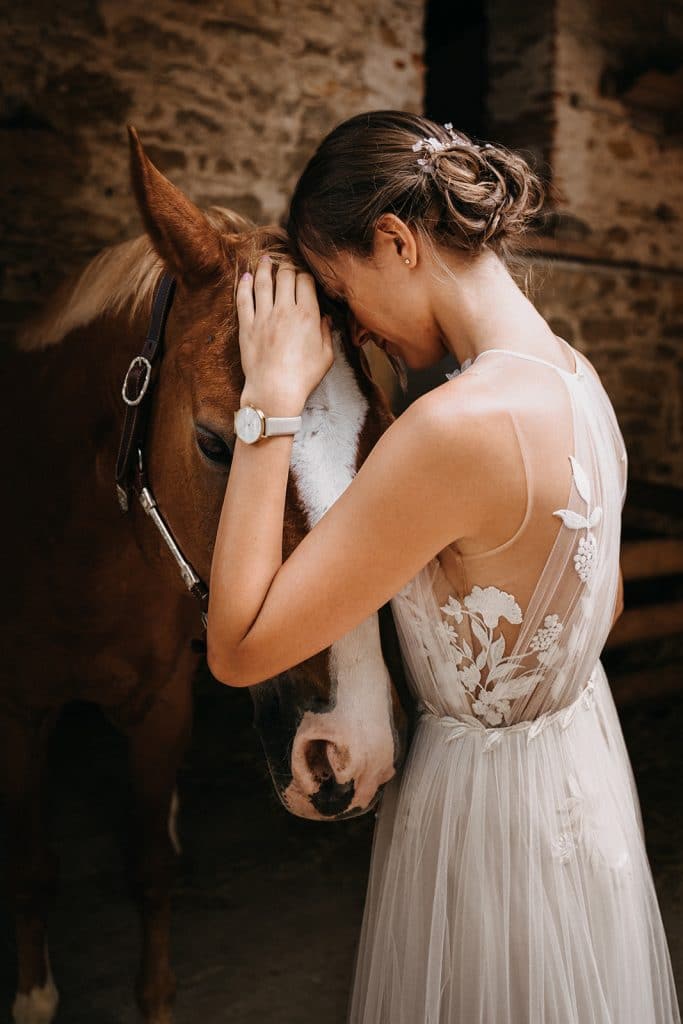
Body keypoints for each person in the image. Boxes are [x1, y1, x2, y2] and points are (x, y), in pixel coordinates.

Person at [206, 110, 680, 1023]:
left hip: (485, 822)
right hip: (577, 780)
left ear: (393, 240)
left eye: (342, 295)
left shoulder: (453, 429)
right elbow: (601, 600)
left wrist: (270, 402)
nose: (353, 328)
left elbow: (238, 647)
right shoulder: (577, 379)